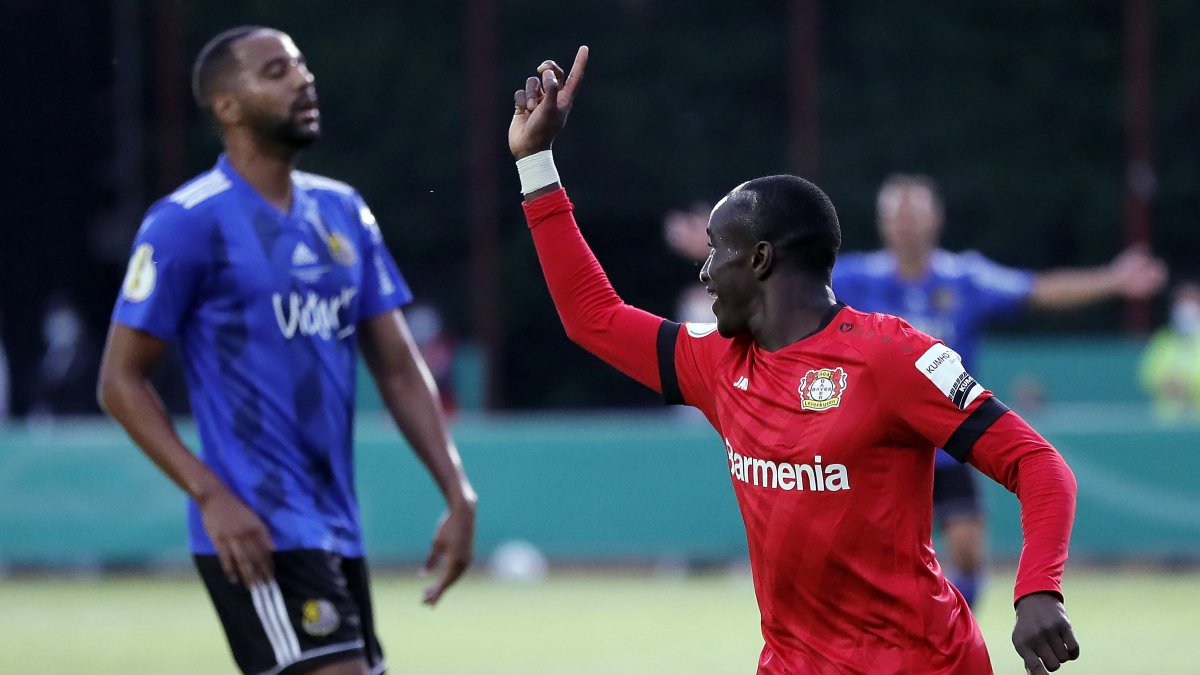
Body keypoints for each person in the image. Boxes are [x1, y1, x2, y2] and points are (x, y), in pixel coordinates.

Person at [509, 47, 1080, 674]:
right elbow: (594, 317)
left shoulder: (892, 356)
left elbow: (1038, 463)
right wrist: (536, 164)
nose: (704, 272)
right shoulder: (715, 362)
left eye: (714, 252)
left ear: (759, 261)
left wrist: (1038, 588)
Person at [97, 26, 477, 675]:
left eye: (301, 65)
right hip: (258, 528)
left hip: (336, 526)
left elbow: (395, 364)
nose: (303, 79)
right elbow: (118, 381)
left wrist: (455, 487)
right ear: (228, 106)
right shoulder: (186, 221)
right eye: (275, 71)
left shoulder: (344, 211)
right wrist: (210, 494)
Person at [832, 174, 1166, 607]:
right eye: (897, 216)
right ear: (882, 224)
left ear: (936, 220)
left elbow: (1039, 290)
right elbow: (792, 290)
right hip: (877, 442)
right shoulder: (855, 279)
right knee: (866, 557)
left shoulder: (964, 278)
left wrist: (1114, 280)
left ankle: (955, 638)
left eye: (915, 214)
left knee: (967, 551)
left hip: (945, 442)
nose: (907, 224)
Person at [1140, 280, 1200, 420]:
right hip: (1168, 422)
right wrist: (1169, 384)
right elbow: (1148, 377)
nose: (1186, 309)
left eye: (1193, 302)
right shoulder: (1163, 339)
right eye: (1181, 303)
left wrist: (1189, 386)